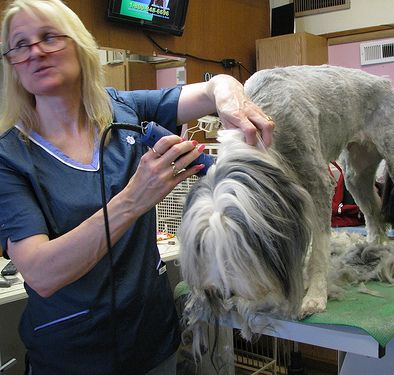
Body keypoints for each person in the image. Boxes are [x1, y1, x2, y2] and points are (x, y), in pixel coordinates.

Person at [0, 0, 274, 374]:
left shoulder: (121, 110)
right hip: (72, 357)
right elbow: (41, 274)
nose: (34, 52)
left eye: (49, 37)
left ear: (79, 45)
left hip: (152, 343)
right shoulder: (10, 157)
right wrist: (134, 199)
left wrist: (230, 96)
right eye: (19, 44)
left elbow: (213, 90)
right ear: (11, 64)